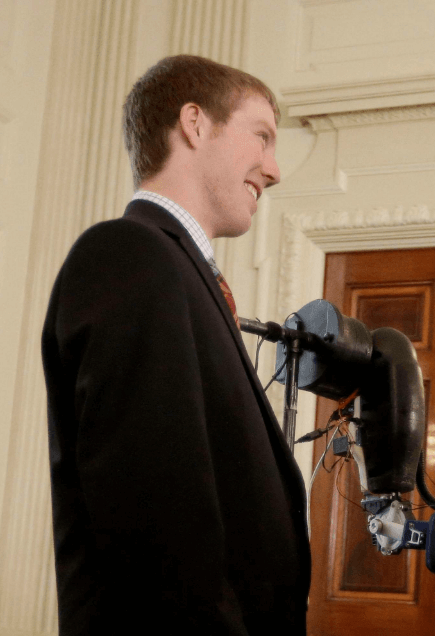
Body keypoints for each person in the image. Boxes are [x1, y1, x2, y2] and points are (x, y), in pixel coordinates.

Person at [41, 55, 311, 635]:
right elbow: (155, 526)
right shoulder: (128, 256)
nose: (274, 168)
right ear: (194, 123)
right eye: (261, 137)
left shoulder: (179, 272)